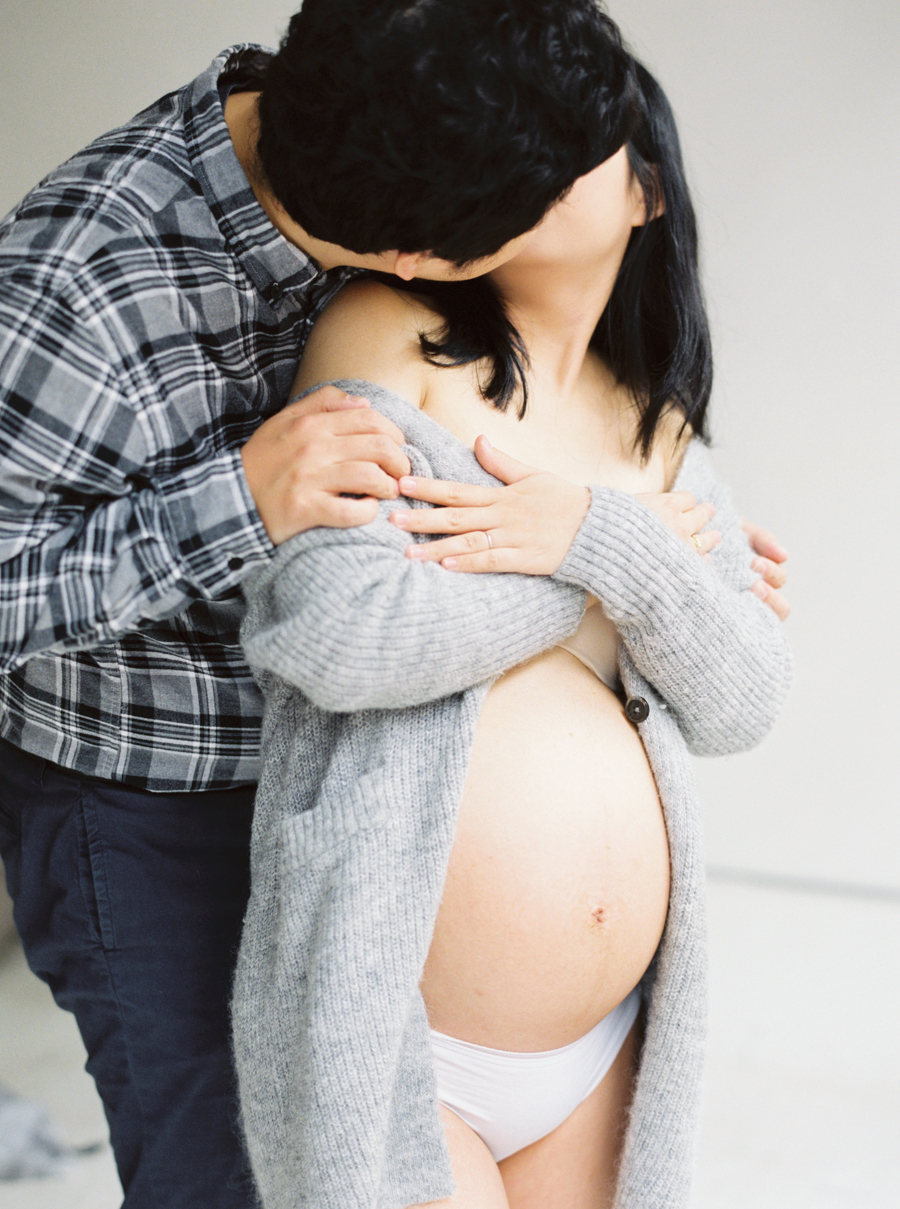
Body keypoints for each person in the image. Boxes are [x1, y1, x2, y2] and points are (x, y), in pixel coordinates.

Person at [0, 2, 787, 1205]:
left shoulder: (426, 126)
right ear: (423, 259)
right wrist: (243, 503)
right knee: (227, 1183)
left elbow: (732, 679)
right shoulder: (96, 277)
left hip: (360, 813)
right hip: (155, 801)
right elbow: (333, 626)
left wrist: (637, 566)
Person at [232, 48, 792, 1209]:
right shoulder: (392, 336)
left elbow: (741, 698)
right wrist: (610, 566)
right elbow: (338, 634)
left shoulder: (661, 428)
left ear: (644, 190)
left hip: (599, 1048)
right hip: (405, 1037)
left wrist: (595, 534)